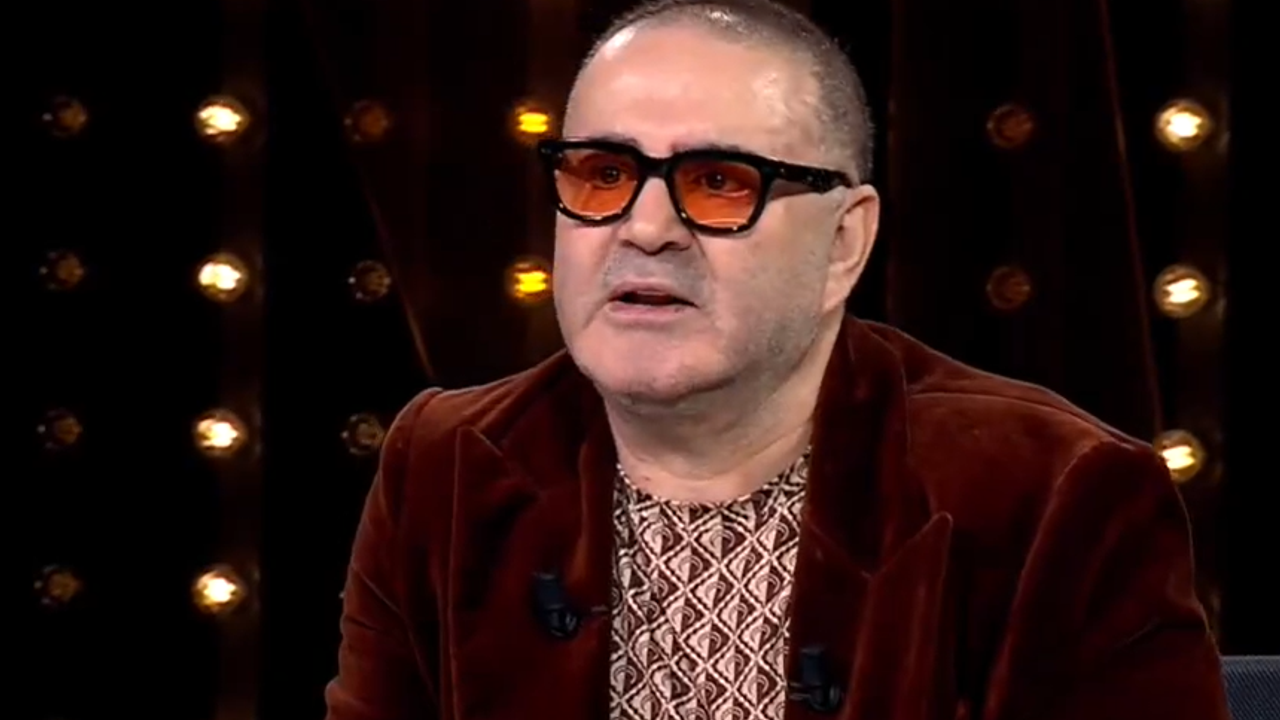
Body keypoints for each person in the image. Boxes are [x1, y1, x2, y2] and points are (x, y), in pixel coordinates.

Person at [324, 0, 1230, 718]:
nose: (645, 229)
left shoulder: (1058, 497)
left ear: (844, 242)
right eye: (602, 175)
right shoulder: (445, 464)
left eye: (720, 183)